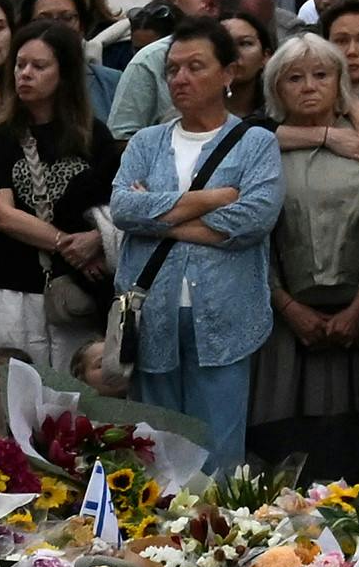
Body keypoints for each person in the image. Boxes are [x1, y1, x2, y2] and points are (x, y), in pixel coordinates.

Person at [108, 25, 282, 476]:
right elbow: (124, 208)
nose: (180, 78)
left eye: (194, 67)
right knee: (155, 451)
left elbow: (252, 220)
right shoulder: (147, 142)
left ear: (228, 73)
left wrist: (158, 220)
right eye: (172, 69)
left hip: (225, 315)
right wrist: (210, 199)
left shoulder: (256, 141)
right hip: (152, 313)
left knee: (218, 456)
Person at [252, 33, 359, 480]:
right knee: (284, 445)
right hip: (282, 321)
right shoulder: (258, 149)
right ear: (276, 88)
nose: (309, 86)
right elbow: (254, 237)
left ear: (341, 82)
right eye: (294, 78)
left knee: (358, 445)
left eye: (321, 75)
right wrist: (287, 305)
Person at [0, 21, 112, 386]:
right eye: (20, 64)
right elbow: (3, 215)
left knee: (77, 396)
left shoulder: (95, 136)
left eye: (39, 66)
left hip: (76, 295)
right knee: (10, 393)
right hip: (11, 288)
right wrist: (68, 243)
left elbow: (116, 208)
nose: (25, 74)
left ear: (63, 74)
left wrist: (96, 241)